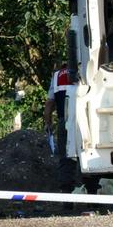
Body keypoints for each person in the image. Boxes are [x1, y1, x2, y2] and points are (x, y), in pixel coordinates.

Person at [43, 62, 80, 193]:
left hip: (64, 120)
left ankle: (67, 196)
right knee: (87, 155)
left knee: (65, 158)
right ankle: (91, 193)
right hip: (84, 119)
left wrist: (48, 124)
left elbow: (49, 105)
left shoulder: (57, 76)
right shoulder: (85, 69)